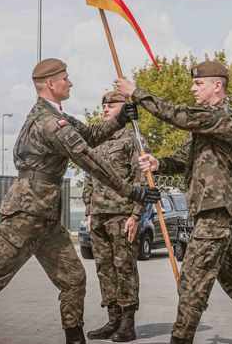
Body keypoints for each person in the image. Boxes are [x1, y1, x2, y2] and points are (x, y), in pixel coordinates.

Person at [0, 58, 160, 344]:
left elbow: (90, 135)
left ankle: (74, 337)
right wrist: (131, 191)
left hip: (46, 217)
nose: (71, 82)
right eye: (66, 78)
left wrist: (119, 119)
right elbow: (87, 157)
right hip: (25, 214)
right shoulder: (48, 122)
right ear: (50, 83)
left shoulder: (57, 117)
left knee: (73, 279)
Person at [115, 60, 232, 344]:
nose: (193, 88)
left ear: (217, 86)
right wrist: (159, 163)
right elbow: (185, 158)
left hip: (216, 212)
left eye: (199, 84)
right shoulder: (205, 124)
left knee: (191, 284)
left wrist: (137, 93)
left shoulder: (222, 118)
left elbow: (178, 115)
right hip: (208, 212)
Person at [82, 91, 147, 342]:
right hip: (98, 215)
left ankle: (128, 323)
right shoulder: (97, 140)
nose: (106, 108)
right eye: (104, 105)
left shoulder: (133, 139)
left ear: (124, 108)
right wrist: (88, 210)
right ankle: (113, 319)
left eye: (112, 105)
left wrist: (135, 214)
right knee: (104, 268)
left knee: (124, 268)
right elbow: (90, 176)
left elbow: (141, 179)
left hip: (122, 214)